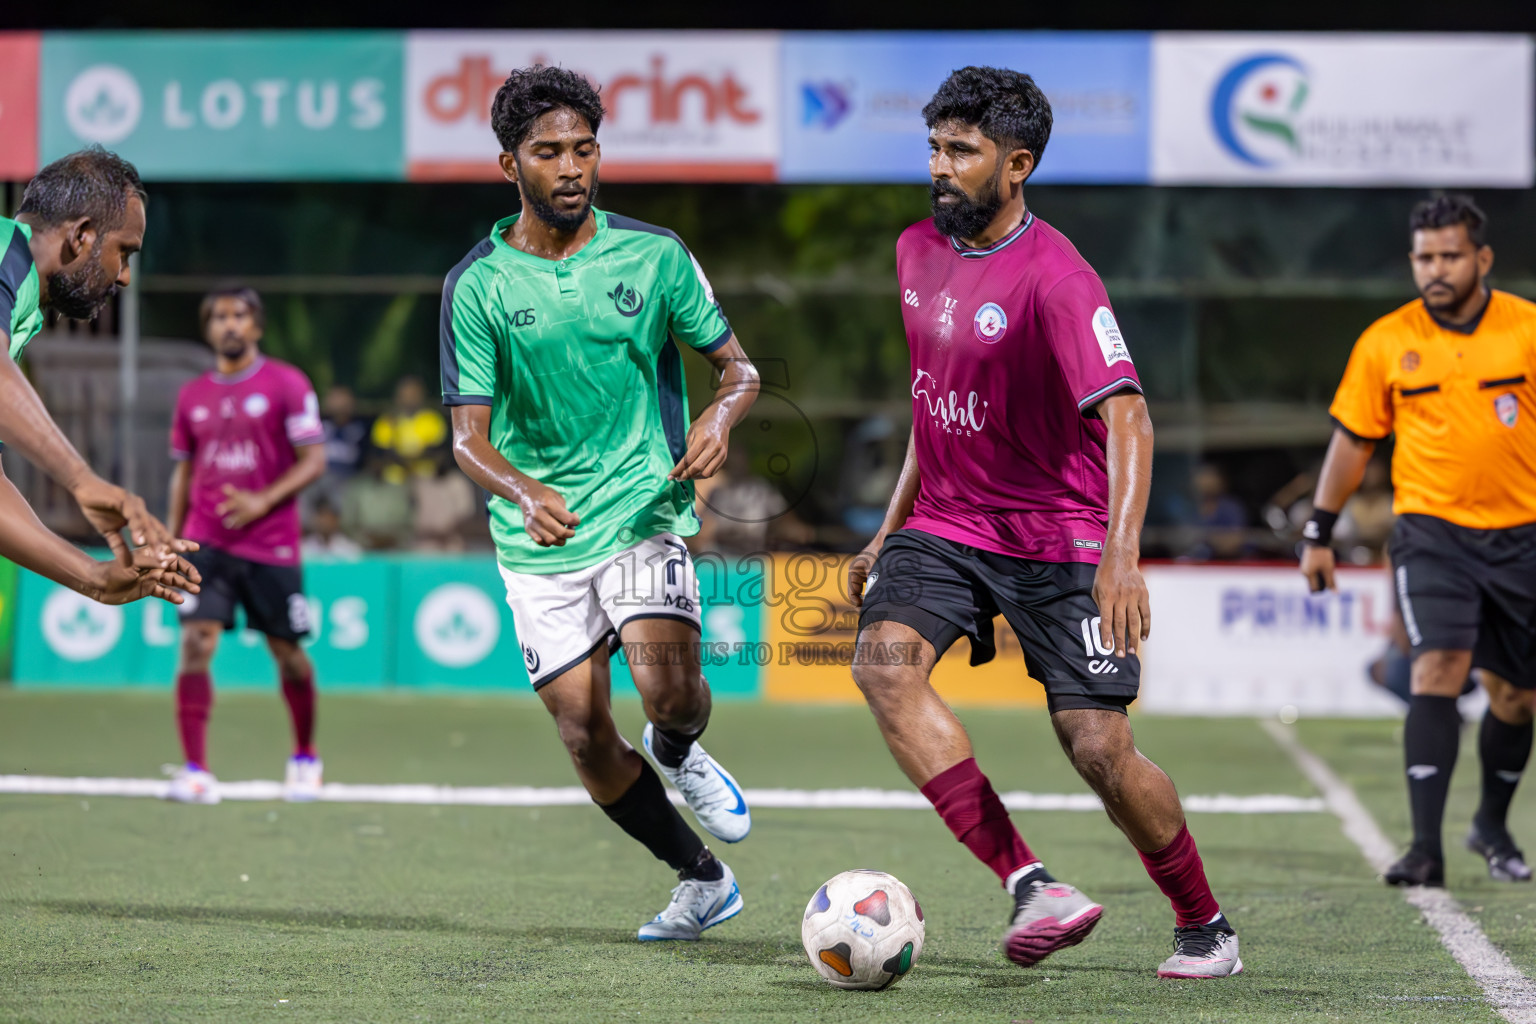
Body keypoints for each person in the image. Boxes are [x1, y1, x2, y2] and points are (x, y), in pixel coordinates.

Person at [845, 67, 1240, 979]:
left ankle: (1203, 923)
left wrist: (1123, 559)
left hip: (1060, 533)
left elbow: (1130, 415)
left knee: (1098, 746)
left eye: (963, 152)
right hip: (947, 524)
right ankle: (1030, 882)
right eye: (935, 148)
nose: (940, 168)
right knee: (881, 665)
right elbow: (928, 405)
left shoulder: (1061, 279)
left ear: (1017, 163)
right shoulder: (913, 251)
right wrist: (884, 533)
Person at [441, 66, 760, 942]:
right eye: (549, 152)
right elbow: (468, 437)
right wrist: (522, 487)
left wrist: (722, 419)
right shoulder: (478, 285)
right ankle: (702, 881)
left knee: (669, 693)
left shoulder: (654, 254)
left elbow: (740, 368)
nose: (572, 167)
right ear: (510, 165)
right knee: (583, 735)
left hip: (639, 509)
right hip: (538, 537)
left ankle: (680, 749)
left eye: (584, 149)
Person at [1301, 194, 1536, 886]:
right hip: (1431, 533)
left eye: (1450, 255)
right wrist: (1318, 530)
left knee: (1518, 698)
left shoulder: (1525, 329)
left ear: (1482, 258)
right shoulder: (1384, 341)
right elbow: (1353, 442)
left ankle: (1490, 823)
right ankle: (1424, 849)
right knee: (1438, 667)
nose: (1436, 268)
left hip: (1522, 538)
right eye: (1425, 257)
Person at [0, 146, 199, 603]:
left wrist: (93, 576)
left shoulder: (19, 305)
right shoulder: (3, 250)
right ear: (83, 236)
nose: (124, 277)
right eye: (124, 252)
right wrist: (81, 480)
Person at [164, 287, 328, 805]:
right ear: (207, 328)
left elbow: (314, 460)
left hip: (270, 544)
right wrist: (173, 541)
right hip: (206, 541)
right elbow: (183, 472)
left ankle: (305, 757)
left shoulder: (287, 383)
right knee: (196, 644)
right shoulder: (192, 395)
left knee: (288, 652)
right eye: (218, 317)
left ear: (256, 326)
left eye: (239, 316)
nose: (229, 325)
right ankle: (195, 771)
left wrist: (263, 501)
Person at [371, 376, 448, 485]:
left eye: (414, 394)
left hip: (427, 479)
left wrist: (407, 458)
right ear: (398, 396)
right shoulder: (387, 420)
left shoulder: (432, 419)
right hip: (394, 482)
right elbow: (381, 453)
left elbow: (438, 451)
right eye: (406, 394)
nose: (410, 398)